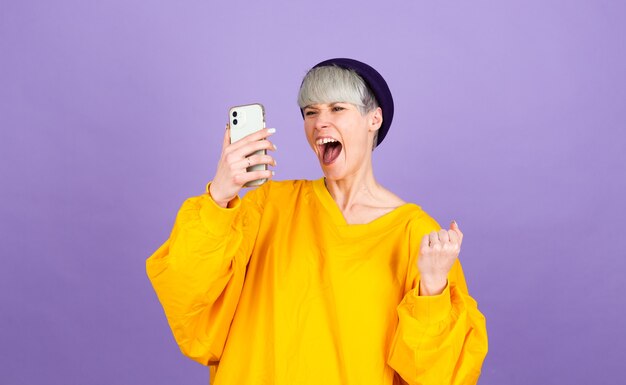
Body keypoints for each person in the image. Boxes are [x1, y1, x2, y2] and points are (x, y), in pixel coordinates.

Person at [146, 58, 488, 385]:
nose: (320, 122)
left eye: (337, 108)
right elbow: (187, 295)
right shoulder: (269, 206)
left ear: (375, 119)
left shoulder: (417, 235)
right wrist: (219, 195)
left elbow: (443, 376)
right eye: (311, 112)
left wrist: (432, 290)